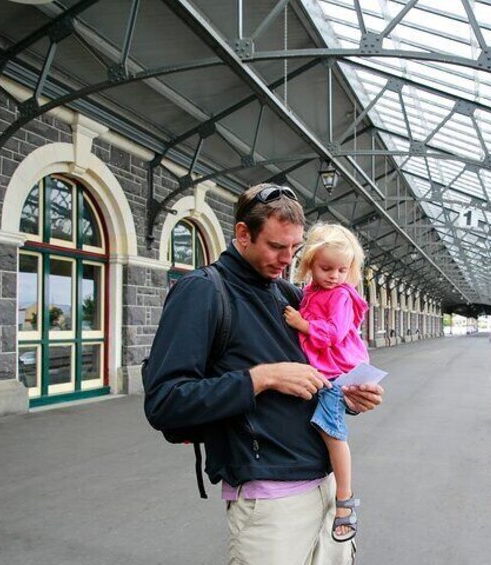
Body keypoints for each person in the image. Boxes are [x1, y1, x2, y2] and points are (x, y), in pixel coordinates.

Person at [143, 183, 384, 565]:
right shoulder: (203, 291)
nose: (286, 259)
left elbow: (319, 371)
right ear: (242, 234)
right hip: (271, 502)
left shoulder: (288, 296)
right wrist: (262, 378)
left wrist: (349, 396)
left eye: (294, 248)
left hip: (328, 488)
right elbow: (165, 401)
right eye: (275, 246)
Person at [283, 223, 369, 542]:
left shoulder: (341, 296)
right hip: (326, 369)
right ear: (310, 264)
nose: (334, 275)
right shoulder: (313, 292)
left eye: (341, 270)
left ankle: (344, 501)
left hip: (336, 371)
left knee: (331, 431)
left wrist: (301, 323)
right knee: (324, 427)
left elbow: (333, 334)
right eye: (326, 268)